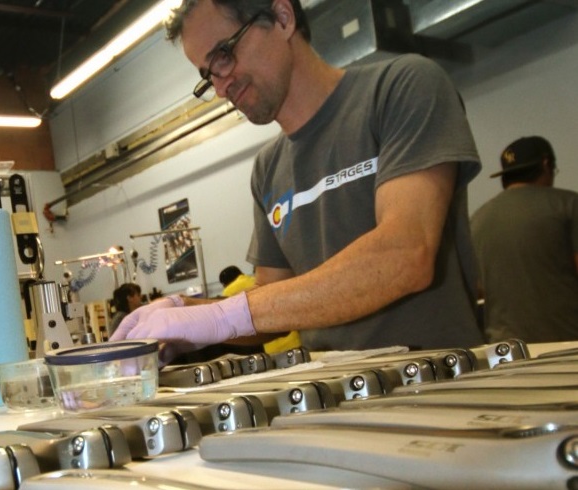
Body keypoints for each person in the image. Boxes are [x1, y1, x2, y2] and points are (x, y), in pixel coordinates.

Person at [111, 0, 485, 359]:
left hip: (438, 385)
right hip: (337, 392)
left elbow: (405, 253)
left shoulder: (400, 88)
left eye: (223, 54)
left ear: (283, 17)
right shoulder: (269, 168)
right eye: (208, 75)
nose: (221, 88)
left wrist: (222, 317)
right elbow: (272, 303)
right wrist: (185, 313)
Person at [470, 136, 578, 342]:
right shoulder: (569, 204)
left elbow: (477, 288)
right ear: (546, 164)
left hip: (504, 350)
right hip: (566, 343)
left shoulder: (478, 219)